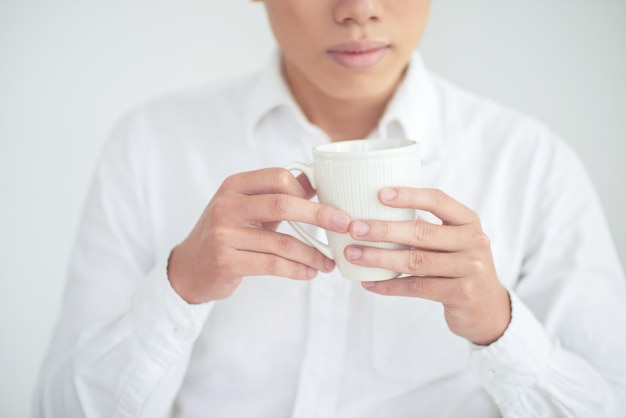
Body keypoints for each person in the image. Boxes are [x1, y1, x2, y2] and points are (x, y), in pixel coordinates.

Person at [34, 1, 626, 417]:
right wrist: (178, 288)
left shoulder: (530, 163)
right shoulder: (149, 145)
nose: (360, 8)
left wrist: (502, 329)